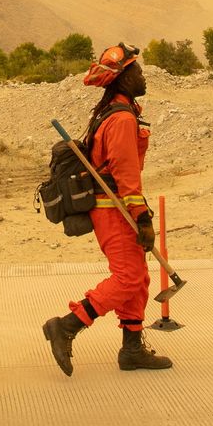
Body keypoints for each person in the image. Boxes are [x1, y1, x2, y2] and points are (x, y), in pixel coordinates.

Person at [41, 43, 173, 376]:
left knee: (138, 277)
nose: (143, 75)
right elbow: (126, 173)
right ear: (123, 78)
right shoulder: (122, 119)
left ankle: (131, 350)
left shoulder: (114, 111)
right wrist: (142, 218)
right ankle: (68, 325)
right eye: (137, 70)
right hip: (115, 210)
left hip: (115, 207)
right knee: (128, 277)